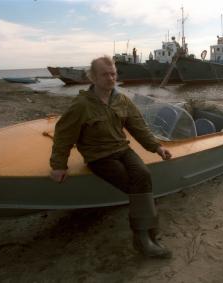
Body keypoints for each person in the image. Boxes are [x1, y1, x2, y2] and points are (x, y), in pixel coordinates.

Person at [49, 55, 172, 259]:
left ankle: (149, 234)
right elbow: (63, 135)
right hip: (99, 156)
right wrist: (58, 165)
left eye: (113, 73)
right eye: (105, 74)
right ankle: (144, 238)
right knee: (134, 185)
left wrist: (157, 147)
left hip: (122, 149)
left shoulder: (121, 99)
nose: (110, 78)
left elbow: (138, 127)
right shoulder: (81, 105)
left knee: (143, 174)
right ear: (93, 77)